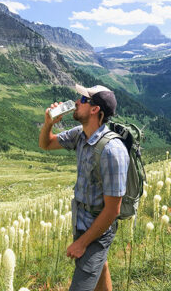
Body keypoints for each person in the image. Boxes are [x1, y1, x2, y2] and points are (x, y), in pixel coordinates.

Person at [39, 84, 129, 291]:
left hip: (99, 228)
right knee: (100, 268)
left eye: (83, 99)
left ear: (95, 109)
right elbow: (46, 144)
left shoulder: (112, 151)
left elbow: (112, 210)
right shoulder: (80, 134)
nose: (76, 102)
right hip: (81, 219)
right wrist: (48, 124)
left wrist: (82, 243)